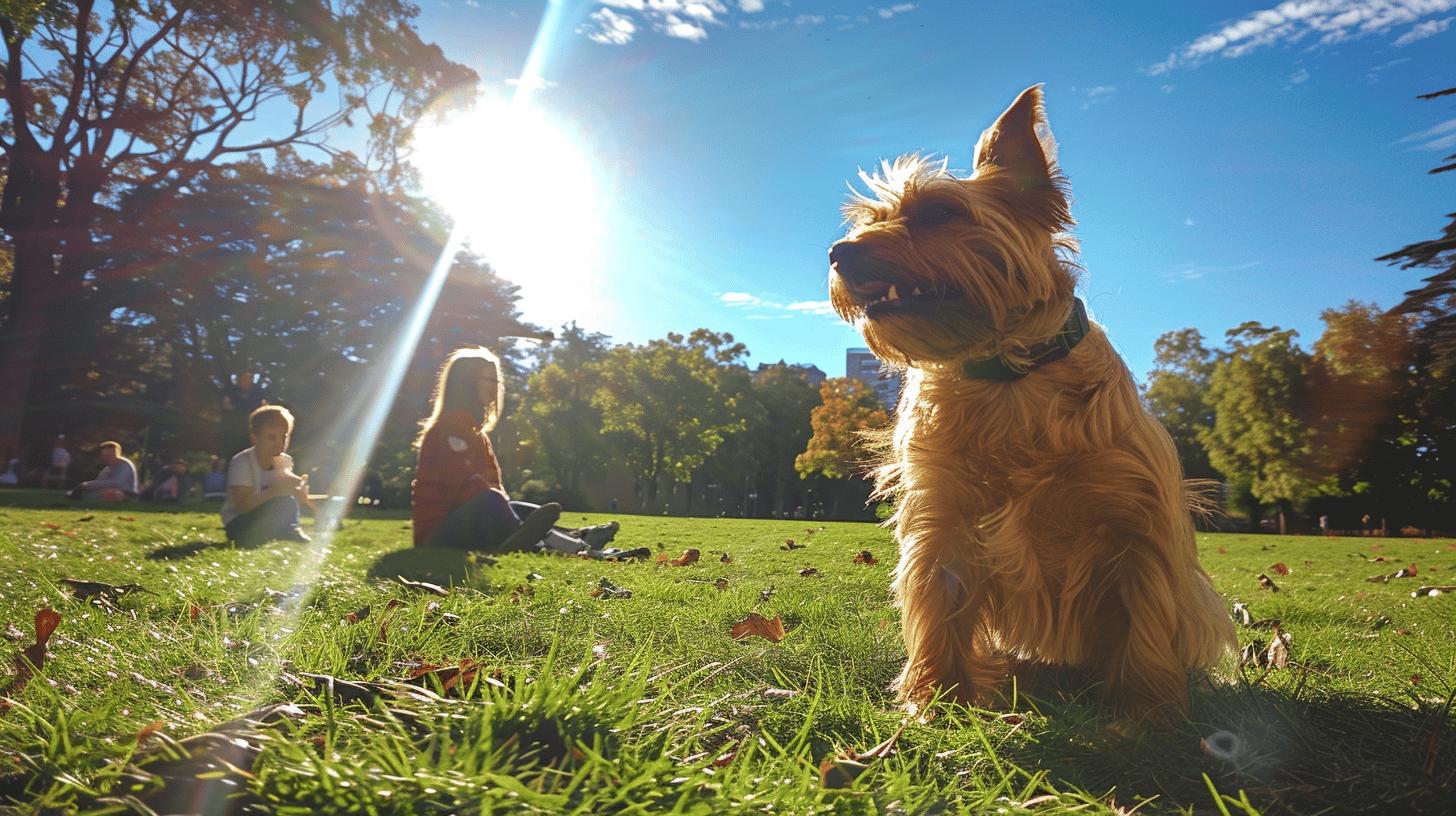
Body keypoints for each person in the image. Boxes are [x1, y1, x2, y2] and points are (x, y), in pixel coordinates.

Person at [411, 347, 632, 557]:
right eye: (490, 380)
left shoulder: (475, 432)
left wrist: (505, 509)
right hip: (437, 536)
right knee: (492, 501)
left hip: (466, 521)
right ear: (467, 383)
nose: (496, 386)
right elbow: (462, 484)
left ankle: (575, 536)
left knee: (521, 509)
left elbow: (490, 485)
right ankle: (565, 544)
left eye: (497, 381)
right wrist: (500, 509)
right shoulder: (450, 428)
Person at [221, 405, 314, 546]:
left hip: (265, 518)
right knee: (282, 499)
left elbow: (287, 481)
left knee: (286, 500)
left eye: (284, 437)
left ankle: (288, 530)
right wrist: (276, 490)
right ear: (255, 437)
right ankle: (278, 532)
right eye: (272, 437)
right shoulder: (242, 462)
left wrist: (298, 488)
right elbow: (242, 506)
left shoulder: (285, 460)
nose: (279, 443)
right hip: (239, 522)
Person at [221, 370, 271, 456]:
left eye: (250, 377)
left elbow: (264, 408)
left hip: (252, 428)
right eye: (245, 377)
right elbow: (227, 407)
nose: (248, 380)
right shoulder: (231, 391)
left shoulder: (259, 392)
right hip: (234, 428)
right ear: (240, 378)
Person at [67, 441, 138, 501]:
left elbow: (117, 483)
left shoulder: (125, 465)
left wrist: (86, 485)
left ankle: (79, 497)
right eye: (104, 455)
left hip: (127, 494)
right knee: (96, 493)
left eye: (109, 455)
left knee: (110, 494)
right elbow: (99, 482)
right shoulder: (107, 469)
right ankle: (78, 495)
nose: (106, 458)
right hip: (112, 490)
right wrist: (85, 485)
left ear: (117, 454)